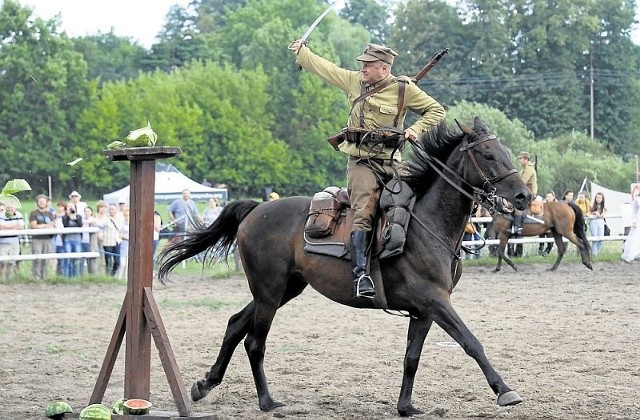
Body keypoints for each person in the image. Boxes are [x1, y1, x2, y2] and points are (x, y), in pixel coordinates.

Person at [289, 40, 445, 298]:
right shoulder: (354, 82)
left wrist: (414, 130)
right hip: (361, 163)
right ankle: (361, 275)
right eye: (363, 64)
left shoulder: (404, 90)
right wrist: (302, 52)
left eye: (368, 65)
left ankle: (415, 265)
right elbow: (326, 68)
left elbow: (436, 111)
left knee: (415, 202)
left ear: (384, 69)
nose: (362, 68)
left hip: (392, 161)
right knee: (364, 211)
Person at [29, 194, 55, 279]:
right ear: (37, 203)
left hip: (47, 239)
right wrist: (46, 225)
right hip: (37, 239)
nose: (42, 203)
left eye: (43, 201)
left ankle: (45, 276)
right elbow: (34, 226)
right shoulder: (33, 213)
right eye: (40, 202)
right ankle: (36, 276)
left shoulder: (50, 213)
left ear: (46, 203)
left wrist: (42, 225)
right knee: (37, 258)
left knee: (46, 259)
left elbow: (53, 224)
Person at [513, 151, 538, 235]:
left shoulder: (529, 169)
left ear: (526, 159)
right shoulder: (524, 169)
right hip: (525, 191)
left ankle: (517, 226)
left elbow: (522, 182)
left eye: (521, 158)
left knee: (518, 205)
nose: (519, 160)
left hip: (529, 193)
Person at [0, 203, 24, 278]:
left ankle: (8, 277)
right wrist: (14, 226)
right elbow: (1, 227)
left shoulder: (18, 214)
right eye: (8, 207)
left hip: (15, 241)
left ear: (15, 208)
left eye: (12, 207)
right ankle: (2, 278)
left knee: (12, 261)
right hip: (3, 242)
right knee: (3, 261)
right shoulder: (1, 215)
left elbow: (20, 226)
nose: (10, 209)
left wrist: (7, 227)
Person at [61, 202, 83, 278]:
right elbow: (65, 225)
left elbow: (80, 225)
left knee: (77, 259)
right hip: (67, 240)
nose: (71, 209)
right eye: (69, 207)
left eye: (72, 207)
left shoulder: (79, 217)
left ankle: (76, 276)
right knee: (67, 258)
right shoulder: (64, 217)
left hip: (77, 240)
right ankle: (67, 276)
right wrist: (69, 216)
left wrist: (75, 218)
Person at [621, 185, 640, 263]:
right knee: (635, 238)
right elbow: (634, 211)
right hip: (638, 220)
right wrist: (634, 221)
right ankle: (630, 256)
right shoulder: (637, 199)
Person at [103, 204, 121, 276]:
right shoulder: (106, 219)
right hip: (108, 241)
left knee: (117, 261)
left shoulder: (119, 218)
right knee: (108, 260)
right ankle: (108, 275)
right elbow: (101, 226)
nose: (111, 211)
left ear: (116, 210)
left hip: (117, 241)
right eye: (110, 209)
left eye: (113, 209)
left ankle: (112, 274)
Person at [588, 192, 607, 256]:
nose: (598, 199)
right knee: (595, 238)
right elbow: (588, 213)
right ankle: (594, 254)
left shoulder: (604, 205)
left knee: (601, 238)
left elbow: (606, 211)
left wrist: (603, 213)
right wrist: (595, 213)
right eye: (597, 197)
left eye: (599, 198)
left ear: (602, 199)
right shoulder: (592, 205)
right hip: (593, 222)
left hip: (601, 222)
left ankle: (597, 252)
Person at [538, 191, 557, 256]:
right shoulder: (543, 204)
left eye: (550, 197)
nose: (548, 198)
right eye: (547, 197)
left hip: (552, 226)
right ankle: (540, 252)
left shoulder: (556, 205)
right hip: (543, 225)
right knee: (541, 240)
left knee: (550, 242)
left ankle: (546, 253)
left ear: (553, 197)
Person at [81, 206, 98, 274]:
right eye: (85, 211)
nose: (87, 212)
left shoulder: (94, 220)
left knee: (91, 259)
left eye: (88, 211)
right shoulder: (82, 220)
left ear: (91, 212)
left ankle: (92, 273)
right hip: (83, 240)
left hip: (90, 241)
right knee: (82, 258)